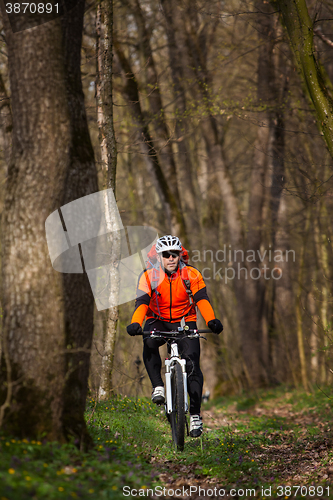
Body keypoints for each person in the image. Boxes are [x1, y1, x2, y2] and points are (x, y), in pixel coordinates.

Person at [126, 235, 223, 438]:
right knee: (149, 341)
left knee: (193, 364)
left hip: (184, 320)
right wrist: (136, 323)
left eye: (175, 254)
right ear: (159, 257)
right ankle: (158, 387)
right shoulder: (149, 276)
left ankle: (195, 415)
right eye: (166, 255)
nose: (171, 258)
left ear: (181, 255)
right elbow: (142, 302)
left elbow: (202, 300)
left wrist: (212, 320)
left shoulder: (191, 274)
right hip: (157, 318)